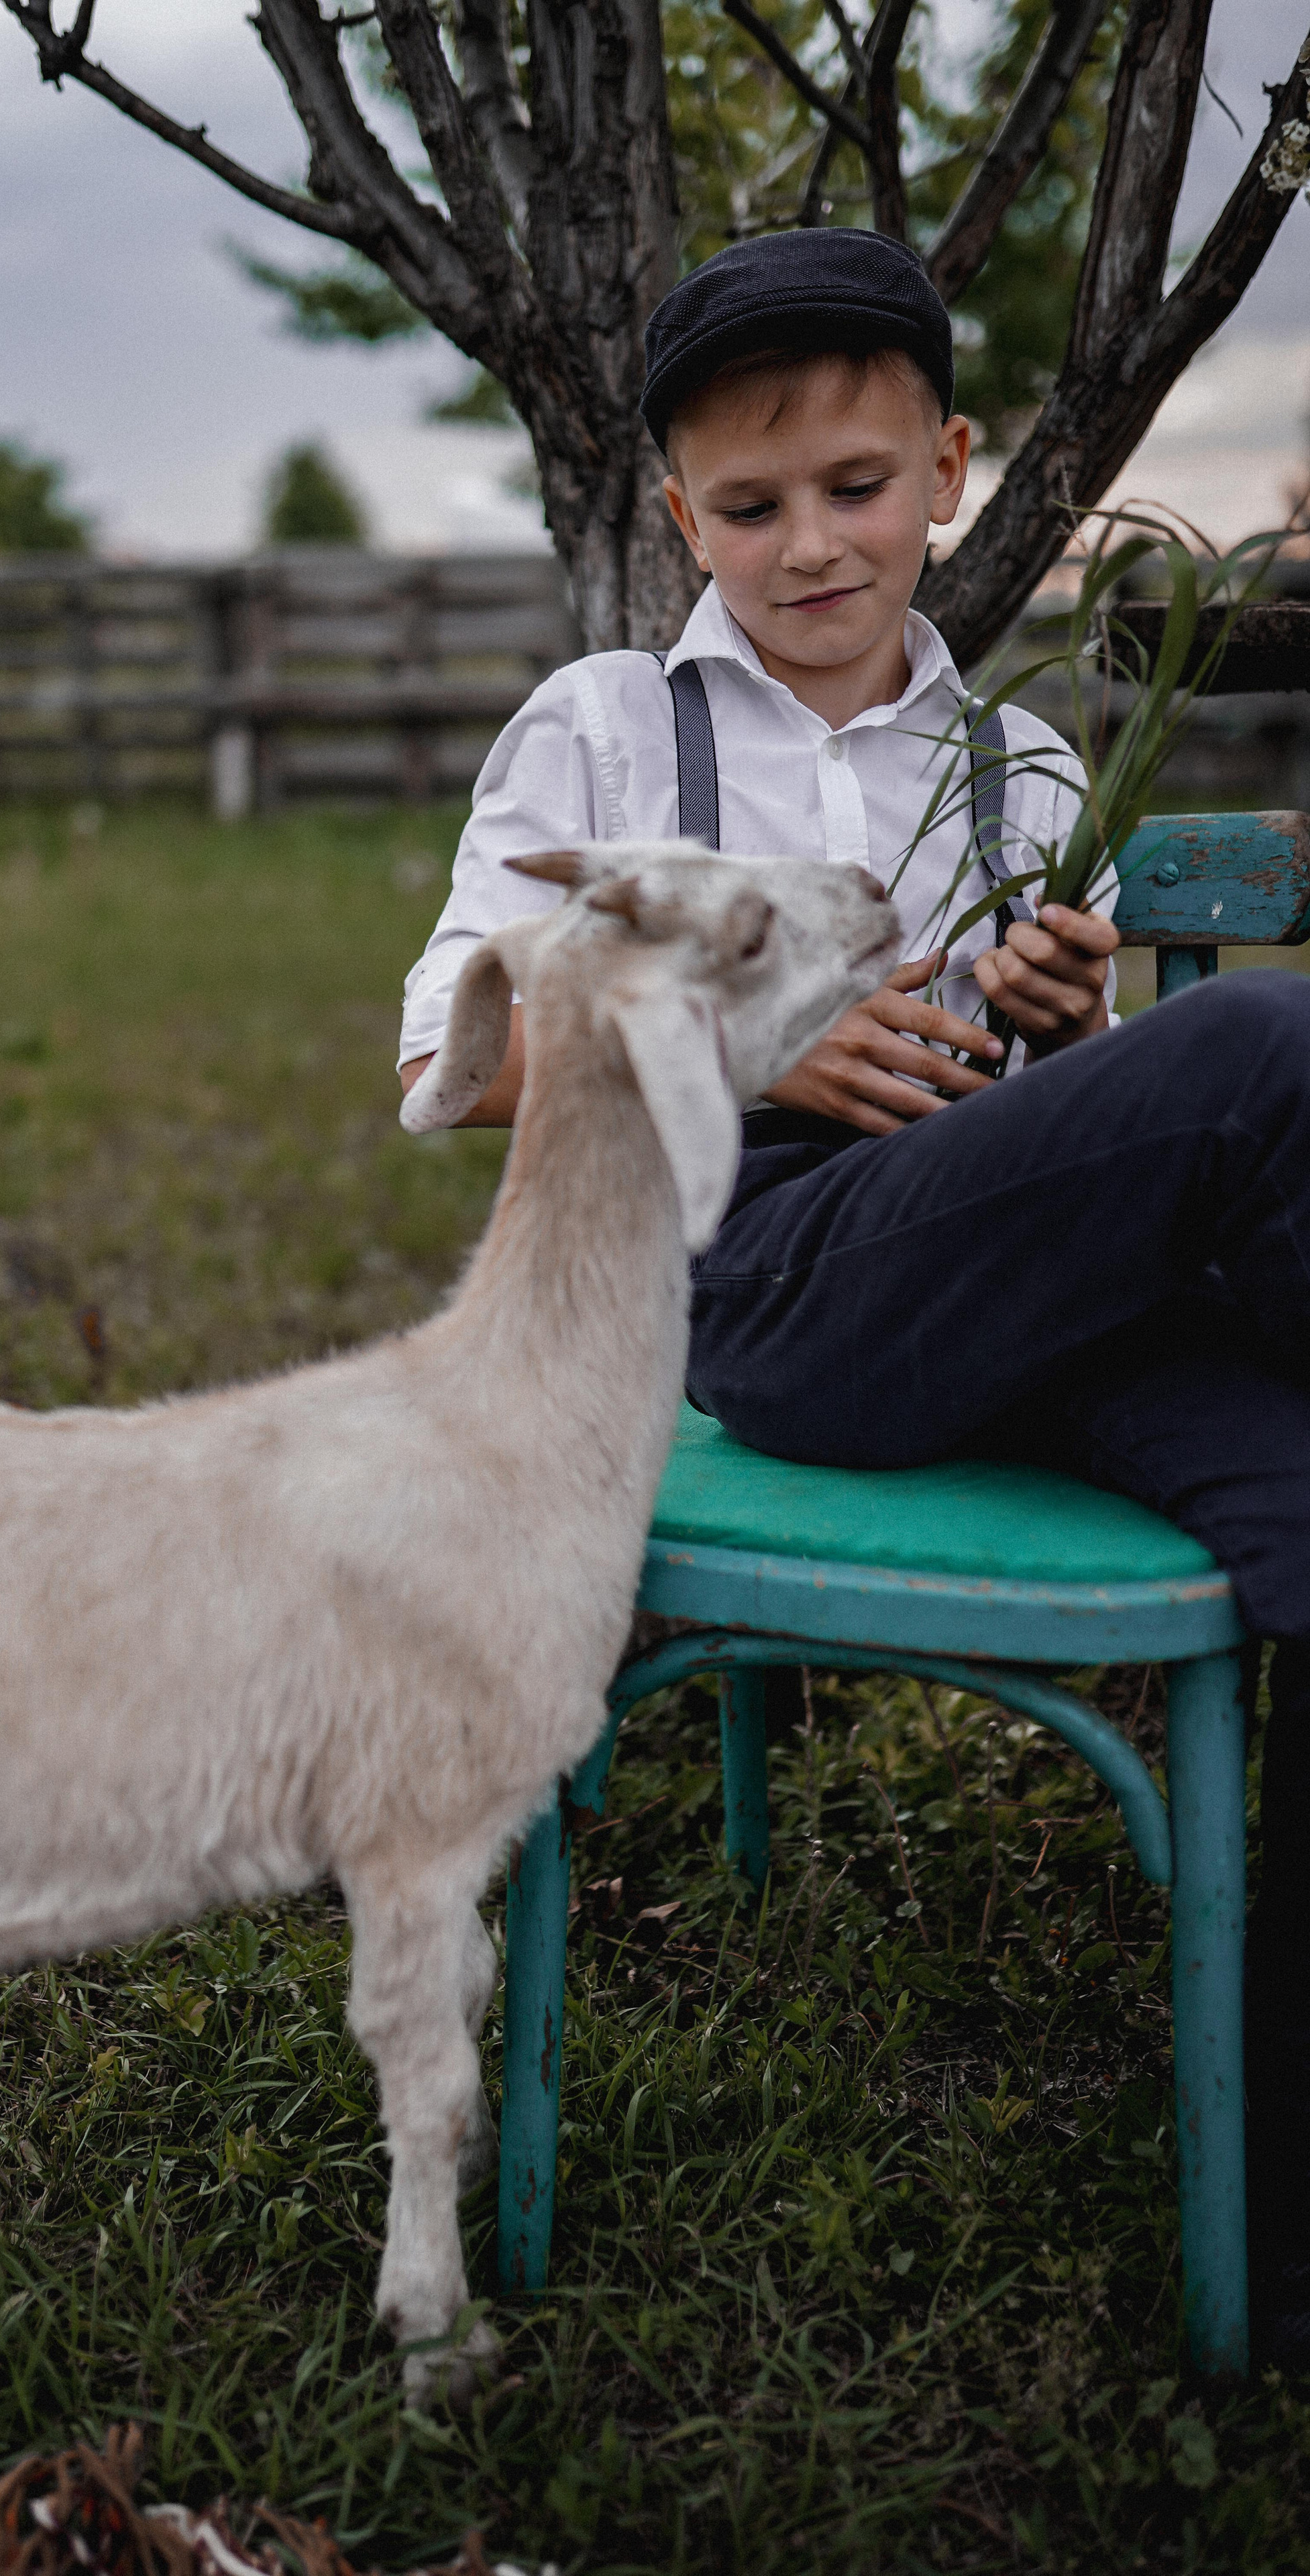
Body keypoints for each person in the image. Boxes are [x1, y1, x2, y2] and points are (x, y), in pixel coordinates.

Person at [398, 227, 1310, 2365]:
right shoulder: (609, 726)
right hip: (770, 1281)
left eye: (861, 487)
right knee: (1263, 1052)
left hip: (1018, 1277)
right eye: (750, 504)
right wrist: (725, 1026)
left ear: (953, 472)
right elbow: (449, 1055)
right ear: (676, 514)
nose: (811, 545)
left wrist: (1057, 1026)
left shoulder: (1020, 770)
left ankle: (1281, 2245)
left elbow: (1064, 1131)